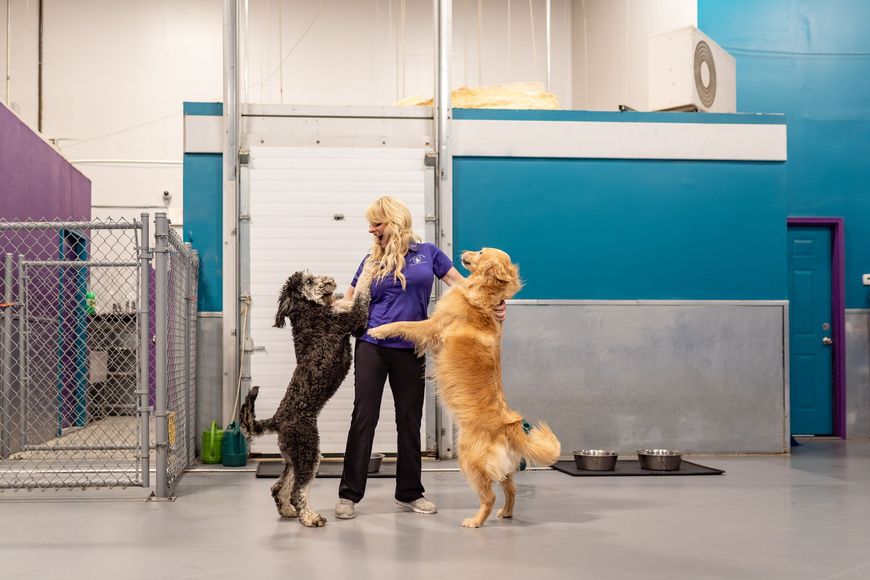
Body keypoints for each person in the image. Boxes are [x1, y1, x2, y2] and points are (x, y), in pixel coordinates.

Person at [335, 196, 505, 520]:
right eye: (371, 224)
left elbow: (467, 287)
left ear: (395, 222)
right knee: (364, 417)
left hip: (411, 349)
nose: (371, 230)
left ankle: (410, 492)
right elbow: (349, 300)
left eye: (377, 223)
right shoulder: (371, 262)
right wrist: (322, 307)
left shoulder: (428, 255)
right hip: (371, 344)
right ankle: (349, 495)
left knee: (409, 421)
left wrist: (496, 301)